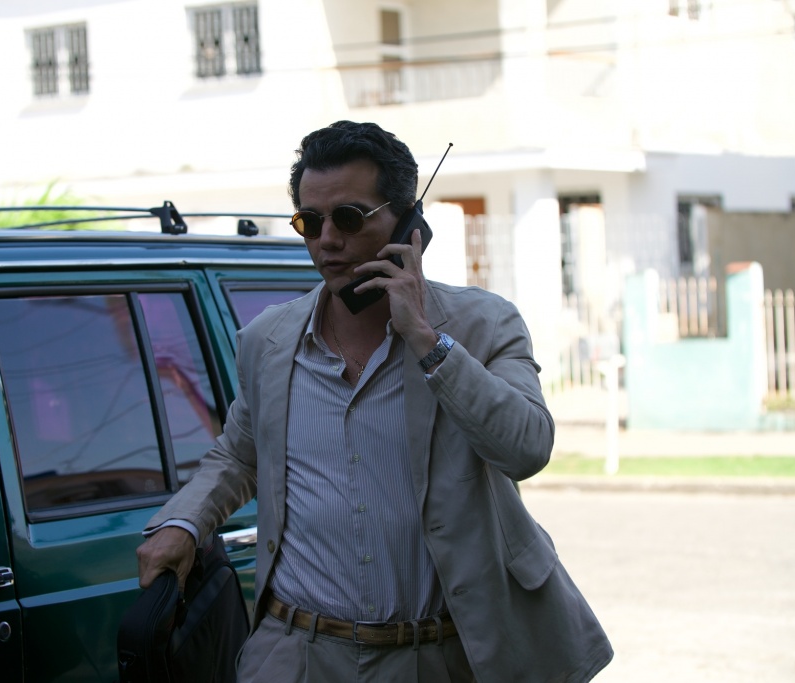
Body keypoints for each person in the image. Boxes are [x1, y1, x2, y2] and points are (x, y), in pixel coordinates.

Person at [136, 120, 613, 682]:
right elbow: (240, 456)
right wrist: (184, 523)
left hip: (437, 654)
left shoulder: (484, 325)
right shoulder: (269, 340)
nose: (327, 241)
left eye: (349, 218)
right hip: (297, 653)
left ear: (409, 223)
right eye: (309, 222)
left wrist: (428, 342)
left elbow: (526, 448)